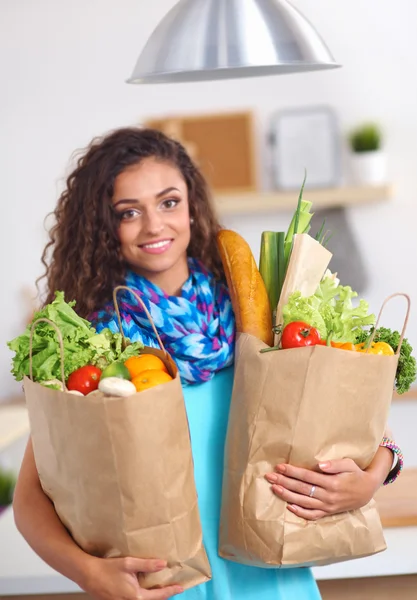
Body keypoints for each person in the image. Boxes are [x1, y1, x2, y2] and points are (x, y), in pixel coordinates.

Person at [13, 127, 402, 600]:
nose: (154, 225)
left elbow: (359, 428)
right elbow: (30, 497)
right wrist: (87, 573)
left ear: (192, 207)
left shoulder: (258, 316)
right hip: (163, 589)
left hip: (273, 583)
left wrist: (374, 476)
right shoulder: (95, 345)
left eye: (169, 202)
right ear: (103, 228)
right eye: (128, 212)